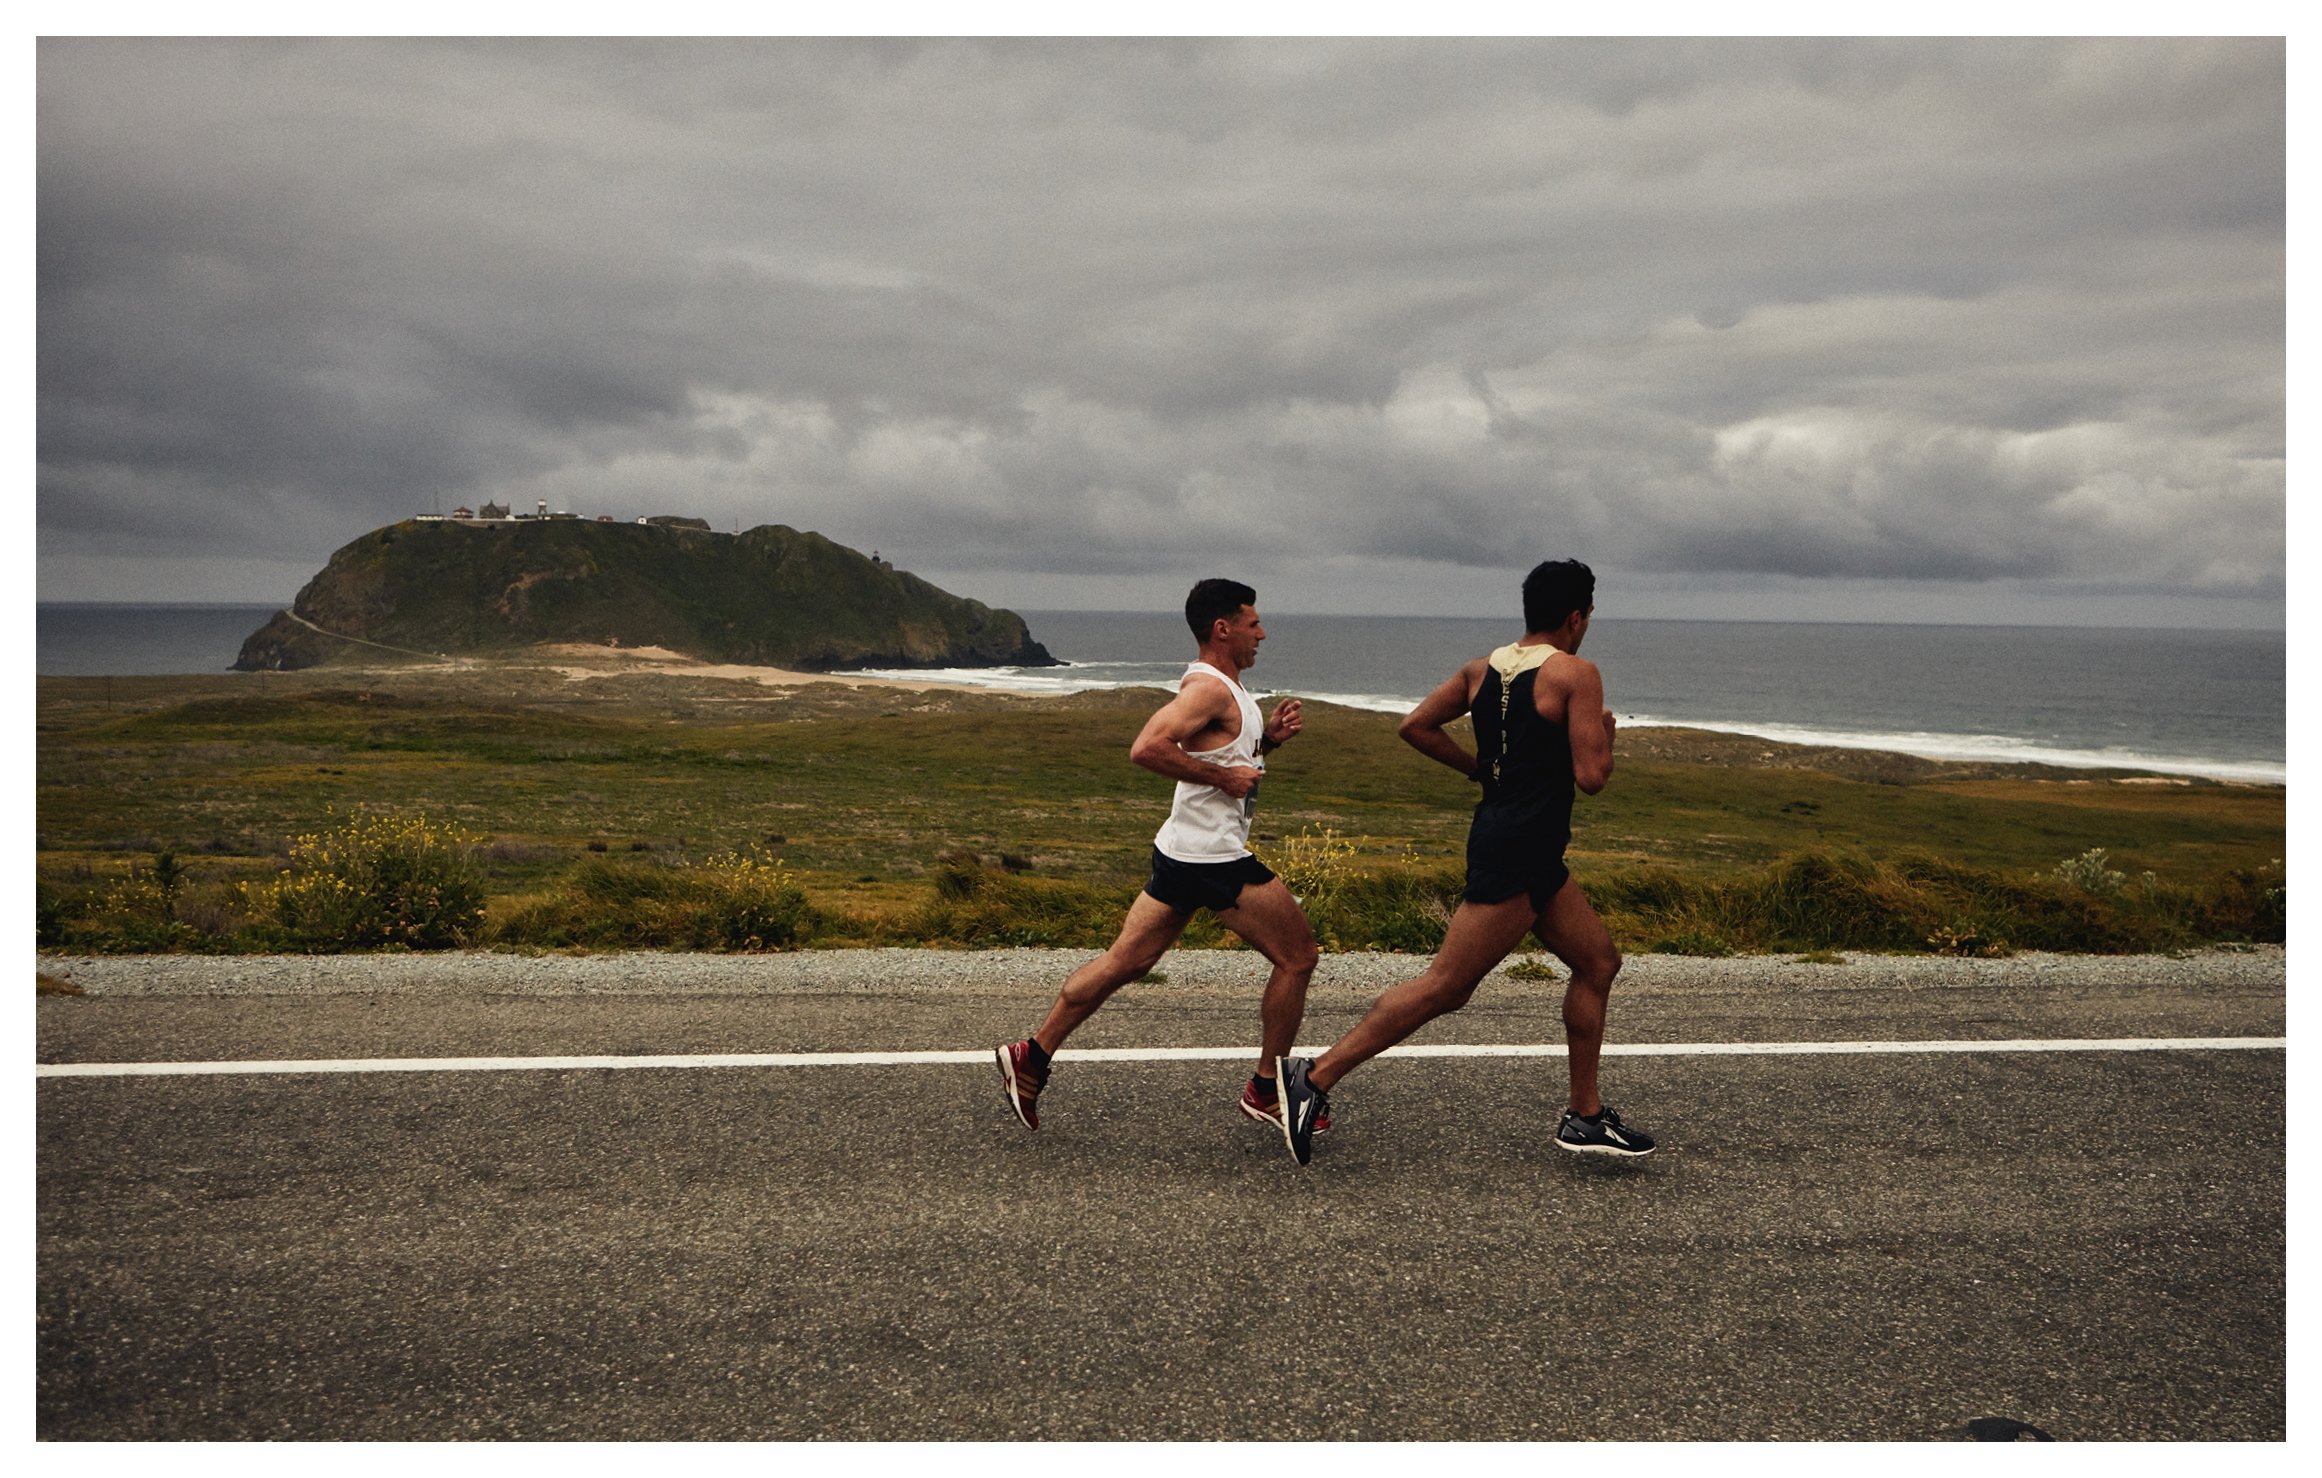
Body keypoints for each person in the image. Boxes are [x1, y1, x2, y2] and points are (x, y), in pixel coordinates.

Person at [1274, 558, 1653, 1165]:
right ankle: (1315, 1078)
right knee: (1446, 986)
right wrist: (1605, 736)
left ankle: (1584, 1115)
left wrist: (1481, 768)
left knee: (1599, 962)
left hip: (1511, 839)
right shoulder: (1577, 674)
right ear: (1577, 617)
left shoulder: (1482, 669)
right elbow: (1593, 778)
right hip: (1523, 848)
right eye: (1587, 617)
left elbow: (1416, 726)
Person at [994, 578, 1323, 1136]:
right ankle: (1266, 1090)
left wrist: (1268, 743)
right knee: (1299, 958)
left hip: (1180, 851)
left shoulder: (1227, 690)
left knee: (1128, 962)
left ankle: (1033, 1055)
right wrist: (1223, 776)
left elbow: (1224, 756)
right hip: (1211, 859)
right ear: (1223, 629)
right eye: (1252, 623)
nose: (1261, 633)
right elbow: (1146, 748)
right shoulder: (1209, 691)